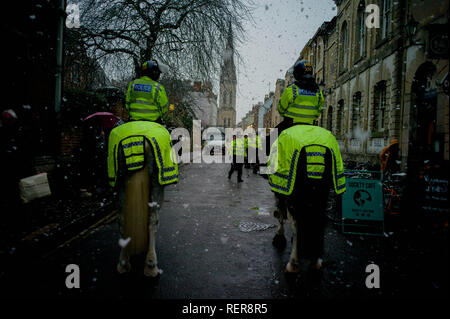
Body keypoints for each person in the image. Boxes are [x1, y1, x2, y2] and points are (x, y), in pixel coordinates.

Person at [267, 60, 345, 278]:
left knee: (269, 144)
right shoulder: (318, 92)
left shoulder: (292, 89)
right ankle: (316, 257)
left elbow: (282, 109)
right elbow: (319, 110)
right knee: (317, 207)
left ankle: (274, 177)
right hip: (313, 128)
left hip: (292, 126)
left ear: (297, 76)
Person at [125, 60, 170, 124]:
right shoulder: (158, 87)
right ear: (155, 73)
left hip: (133, 122)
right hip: (153, 123)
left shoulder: (133, 84)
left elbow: (127, 103)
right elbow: (164, 108)